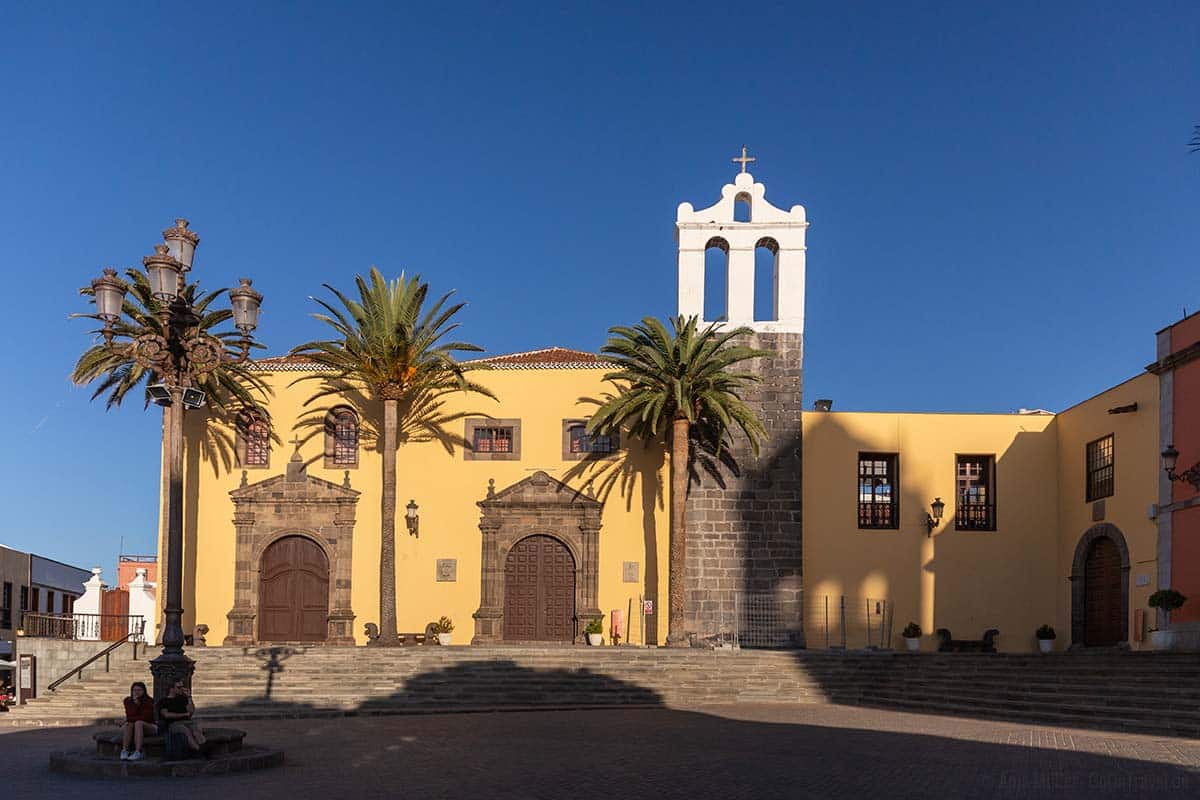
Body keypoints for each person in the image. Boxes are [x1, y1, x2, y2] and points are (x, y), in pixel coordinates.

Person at [157, 679, 206, 756]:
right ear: (171, 689)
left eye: (182, 687)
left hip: (187, 721)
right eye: (179, 687)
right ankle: (200, 751)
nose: (182, 689)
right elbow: (166, 715)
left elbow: (191, 711)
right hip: (173, 723)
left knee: (197, 730)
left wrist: (189, 697)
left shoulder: (183, 699)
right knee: (186, 731)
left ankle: (204, 748)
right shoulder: (163, 701)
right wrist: (183, 715)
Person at [120, 681, 157, 761]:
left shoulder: (149, 701)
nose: (136, 692)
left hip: (149, 726)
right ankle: (125, 750)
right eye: (134, 690)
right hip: (133, 726)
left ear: (144, 691)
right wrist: (135, 705)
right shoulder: (128, 701)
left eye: (139, 690)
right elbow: (130, 715)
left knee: (138, 723)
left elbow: (145, 717)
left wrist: (139, 705)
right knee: (129, 724)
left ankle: (138, 751)